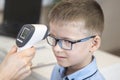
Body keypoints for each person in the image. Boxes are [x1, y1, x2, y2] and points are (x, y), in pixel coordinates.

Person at [46, 0, 105, 80]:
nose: (56, 48)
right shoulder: (58, 69)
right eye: (54, 38)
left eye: (67, 41)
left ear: (94, 44)